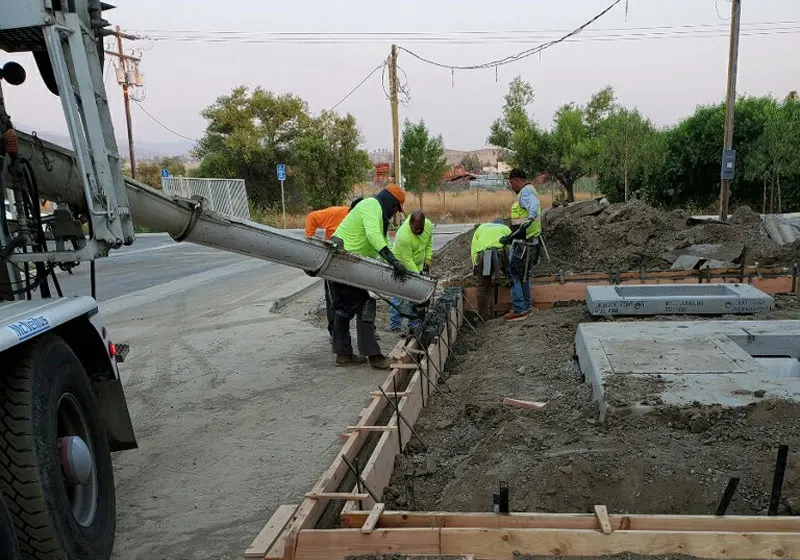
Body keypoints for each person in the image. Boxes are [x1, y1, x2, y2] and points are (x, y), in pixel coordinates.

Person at [329, 185, 408, 369]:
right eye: (396, 207)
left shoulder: (378, 213)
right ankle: (374, 356)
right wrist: (393, 261)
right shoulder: (371, 205)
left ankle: (343, 354)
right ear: (391, 202)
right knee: (365, 305)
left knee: (343, 309)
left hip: (341, 259)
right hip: (344, 259)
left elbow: (382, 241)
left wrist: (392, 263)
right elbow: (373, 236)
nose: (395, 212)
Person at [304, 198, 363, 340]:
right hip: (333, 263)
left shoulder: (364, 222)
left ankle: (367, 332)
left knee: (360, 297)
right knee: (334, 300)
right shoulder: (337, 213)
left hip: (352, 264)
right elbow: (312, 217)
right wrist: (310, 241)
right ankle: (335, 333)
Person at [501, 168, 542, 321]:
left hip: (524, 242)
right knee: (523, 275)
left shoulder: (525, 192)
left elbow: (533, 204)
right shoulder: (529, 190)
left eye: (511, 183)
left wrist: (530, 218)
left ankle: (519, 309)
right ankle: (526, 305)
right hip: (529, 241)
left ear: (517, 180)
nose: (511, 187)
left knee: (513, 273)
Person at [389, 210, 433, 334]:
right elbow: (407, 260)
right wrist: (420, 278)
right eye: (416, 228)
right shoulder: (403, 235)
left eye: (421, 228)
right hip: (400, 266)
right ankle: (395, 325)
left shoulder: (428, 226)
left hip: (417, 266)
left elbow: (429, 243)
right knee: (399, 297)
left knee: (414, 296)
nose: (419, 230)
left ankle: (414, 324)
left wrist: (428, 259)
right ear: (410, 224)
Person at [470, 219, 512, 320]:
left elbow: (474, 249)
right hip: (501, 254)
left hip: (483, 256)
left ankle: (482, 316)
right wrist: (510, 270)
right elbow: (511, 248)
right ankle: (516, 307)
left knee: (483, 287)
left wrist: (476, 268)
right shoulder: (505, 228)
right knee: (513, 279)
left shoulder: (480, 228)